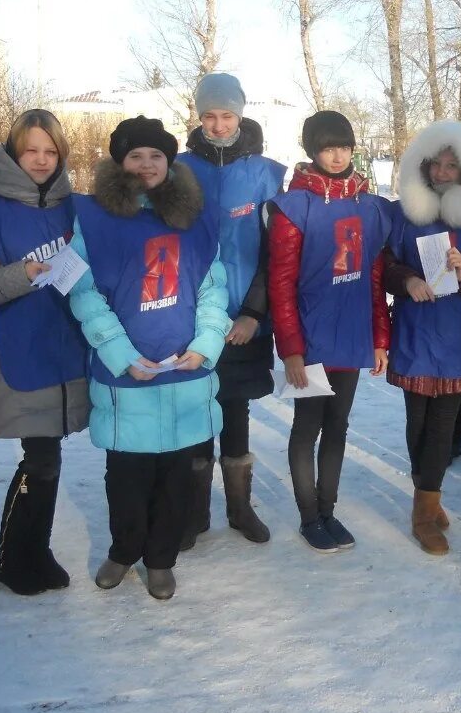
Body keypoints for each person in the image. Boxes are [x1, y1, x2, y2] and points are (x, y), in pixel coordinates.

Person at [67, 116, 230, 600]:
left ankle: (161, 560)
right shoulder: (93, 218)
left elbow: (213, 288)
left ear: (169, 161)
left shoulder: (195, 218)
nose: (146, 164)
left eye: (156, 156)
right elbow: (82, 292)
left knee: (177, 477)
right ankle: (123, 551)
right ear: (119, 162)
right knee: (127, 479)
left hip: (185, 373)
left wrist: (205, 345)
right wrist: (120, 354)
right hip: (127, 376)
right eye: (135, 156)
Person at [0, 109, 90, 595]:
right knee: (40, 457)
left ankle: (37, 549)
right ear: (13, 152)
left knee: (50, 454)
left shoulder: (76, 207)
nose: (40, 159)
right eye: (30, 149)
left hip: (67, 347)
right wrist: (24, 274)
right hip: (19, 350)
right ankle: (13, 556)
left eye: (50, 151)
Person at [267, 111, 393, 553]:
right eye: (327, 147)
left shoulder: (368, 205)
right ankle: (308, 517)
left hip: (352, 335)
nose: (337, 156)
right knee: (308, 428)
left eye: (343, 146)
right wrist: (291, 350)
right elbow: (279, 283)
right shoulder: (293, 207)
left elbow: (374, 277)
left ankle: (328, 510)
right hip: (311, 339)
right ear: (311, 151)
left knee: (338, 427)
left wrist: (381, 337)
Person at [176, 73, 285, 547]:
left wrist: (254, 314)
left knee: (234, 410)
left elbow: (275, 253)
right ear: (198, 117)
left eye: (227, 116)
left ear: (240, 115)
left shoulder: (266, 173)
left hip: (244, 319)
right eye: (209, 116)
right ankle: (194, 512)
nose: (218, 125)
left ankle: (240, 509)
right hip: (189, 319)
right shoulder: (176, 169)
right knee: (196, 411)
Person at [383, 120, 461, 554]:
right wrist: (408, 280)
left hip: (457, 338)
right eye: (438, 164)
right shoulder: (403, 213)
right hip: (415, 334)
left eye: (454, 165)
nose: (444, 172)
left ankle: (424, 505)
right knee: (417, 426)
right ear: (424, 166)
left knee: (444, 429)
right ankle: (427, 497)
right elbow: (388, 266)